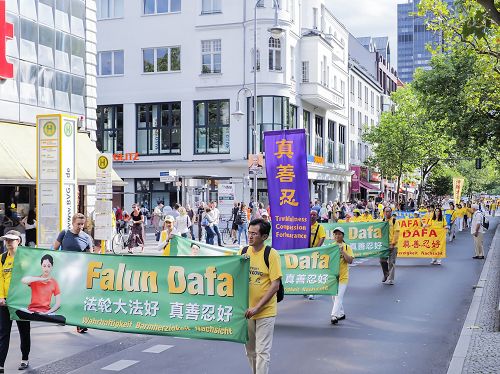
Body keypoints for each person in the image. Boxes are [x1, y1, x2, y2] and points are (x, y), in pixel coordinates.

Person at [239, 219, 282, 374]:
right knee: (250, 351)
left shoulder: (271, 255)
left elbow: (275, 285)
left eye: (254, 234)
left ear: (264, 237)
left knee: (262, 351)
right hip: (247, 311)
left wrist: (258, 307)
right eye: (249, 232)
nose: (250, 236)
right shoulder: (243, 252)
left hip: (265, 311)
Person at [53, 213, 93, 333]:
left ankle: (79, 323)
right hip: (64, 271)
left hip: (79, 272)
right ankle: (61, 316)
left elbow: (90, 256)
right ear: (73, 223)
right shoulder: (64, 233)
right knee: (64, 295)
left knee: (79, 298)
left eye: (82, 224)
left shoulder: (86, 238)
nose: (80, 226)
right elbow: (54, 249)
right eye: (78, 224)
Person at [0, 230, 31, 371]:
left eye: (11, 240)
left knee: (24, 331)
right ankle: (0, 365)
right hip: (4, 302)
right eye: (6, 240)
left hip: (20, 302)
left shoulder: (25, 257)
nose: (8, 243)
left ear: (18, 241)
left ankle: (25, 358)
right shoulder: (2, 258)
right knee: (3, 333)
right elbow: (0, 279)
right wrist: (1, 297)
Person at [16, 254, 66, 325]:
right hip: (32, 311)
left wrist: (46, 313)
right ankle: (40, 317)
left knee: (63, 319)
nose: (46, 268)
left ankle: (42, 316)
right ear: (41, 266)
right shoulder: (35, 279)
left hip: (46, 312)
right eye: (44, 266)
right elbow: (23, 280)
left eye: (49, 266)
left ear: (52, 267)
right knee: (18, 312)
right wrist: (40, 279)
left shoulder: (54, 282)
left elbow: (58, 303)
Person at [330, 227, 354, 325]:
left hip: (343, 276)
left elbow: (350, 260)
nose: (337, 236)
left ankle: (334, 315)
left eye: (339, 234)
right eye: (335, 234)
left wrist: (343, 251)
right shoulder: (331, 247)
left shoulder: (347, 247)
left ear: (343, 235)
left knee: (338, 296)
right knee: (334, 297)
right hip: (333, 277)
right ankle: (341, 313)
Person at [306, 210, 326, 300]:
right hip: (305, 252)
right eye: (311, 215)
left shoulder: (319, 227)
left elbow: (322, 238)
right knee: (305, 272)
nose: (312, 216)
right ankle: (305, 290)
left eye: (314, 215)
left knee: (312, 272)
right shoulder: (304, 226)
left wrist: (316, 249)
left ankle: (312, 292)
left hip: (314, 253)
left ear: (317, 216)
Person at [380, 207, 400, 285]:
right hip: (384, 246)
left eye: (389, 211)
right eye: (386, 211)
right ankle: (386, 273)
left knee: (392, 262)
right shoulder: (382, 221)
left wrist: (392, 243)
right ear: (383, 212)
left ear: (391, 212)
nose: (387, 213)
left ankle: (391, 279)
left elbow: (396, 233)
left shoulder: (394, 221)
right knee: (382, 260)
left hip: (393, 245)